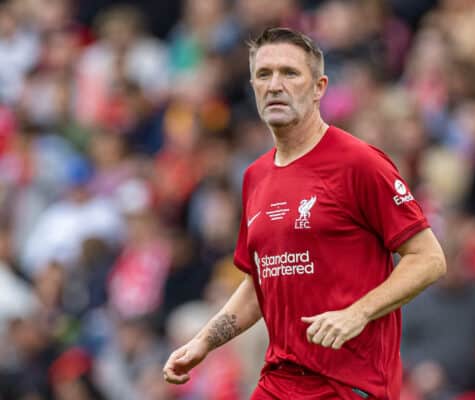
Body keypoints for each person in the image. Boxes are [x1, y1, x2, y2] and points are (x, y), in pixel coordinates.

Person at [163, 27, 446, 399]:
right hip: (279, 381)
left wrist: (357, 313)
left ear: (319, 88)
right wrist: (204, 341)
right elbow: (260, 282)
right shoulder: (255, 177)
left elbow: (429, 259)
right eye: (264, 75)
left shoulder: (358, 163)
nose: (275, 85)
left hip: (349, 384)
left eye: (290, 73)